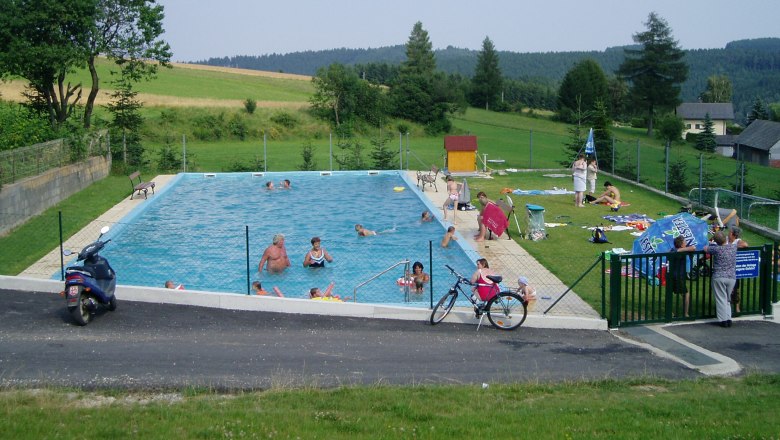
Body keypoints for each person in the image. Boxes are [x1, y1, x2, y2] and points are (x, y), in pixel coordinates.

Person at [704, 231, 737, 327]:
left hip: (719, 276)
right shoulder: (733, 247)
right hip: (731, 277)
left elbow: (705, 248)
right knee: (727, 299)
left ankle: (723, 320)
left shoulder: (716, 249)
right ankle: (729, 318)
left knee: (721, 298)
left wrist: (711, 242)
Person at [669, 236, 696, 318]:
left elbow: (693, 248)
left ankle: (671, 313)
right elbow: (692, 248)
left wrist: (682, 249)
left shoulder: (674, 250)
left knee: (671, 294)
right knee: (686, 294)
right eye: (685, 242)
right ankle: (685, 314)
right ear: (681, 244)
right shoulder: (675, 251)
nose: (686, 243)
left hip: (674, 276)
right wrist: (684, 249)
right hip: (678, 276)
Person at [728, 226, 748, 313]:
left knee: (735, 288)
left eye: (730, 232)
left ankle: (737, 308)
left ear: (733, 234)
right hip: (726, 267)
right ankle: (728, 307)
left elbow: (745, 244)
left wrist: (733, 246)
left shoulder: (737, 241)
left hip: (734, 269)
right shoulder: (725, 239)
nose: (728, 233)